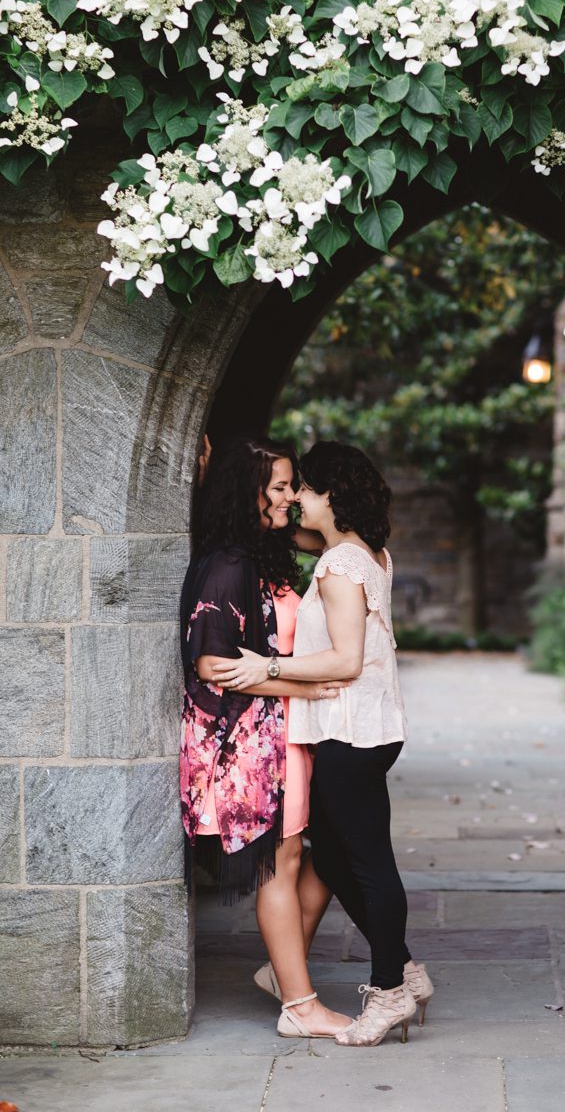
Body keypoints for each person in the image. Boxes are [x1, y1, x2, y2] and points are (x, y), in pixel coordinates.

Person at [212, 440, 433, 1047]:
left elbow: (345, 658)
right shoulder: (366, 554)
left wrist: (269, 666)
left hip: (348, 732)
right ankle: (407, 971)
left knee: (367, 863)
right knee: (334, 858)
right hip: (369, 730)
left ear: (330, 495)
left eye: (303, 488)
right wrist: (242, 495)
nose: (295, 499)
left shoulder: (339, 568)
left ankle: (389, 988)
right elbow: (287, 536)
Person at [180, 434, 352, 1039]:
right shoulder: (229, 565)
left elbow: (337, 536)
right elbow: (213, 668)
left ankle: (286, 976)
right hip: (250, 744)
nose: (290, 498)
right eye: (280, 487)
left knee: (314, 852)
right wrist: (302, 688)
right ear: (247, 491)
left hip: (281, 735)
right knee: (281, 865)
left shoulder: (262, 549)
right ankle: (299, 1007)